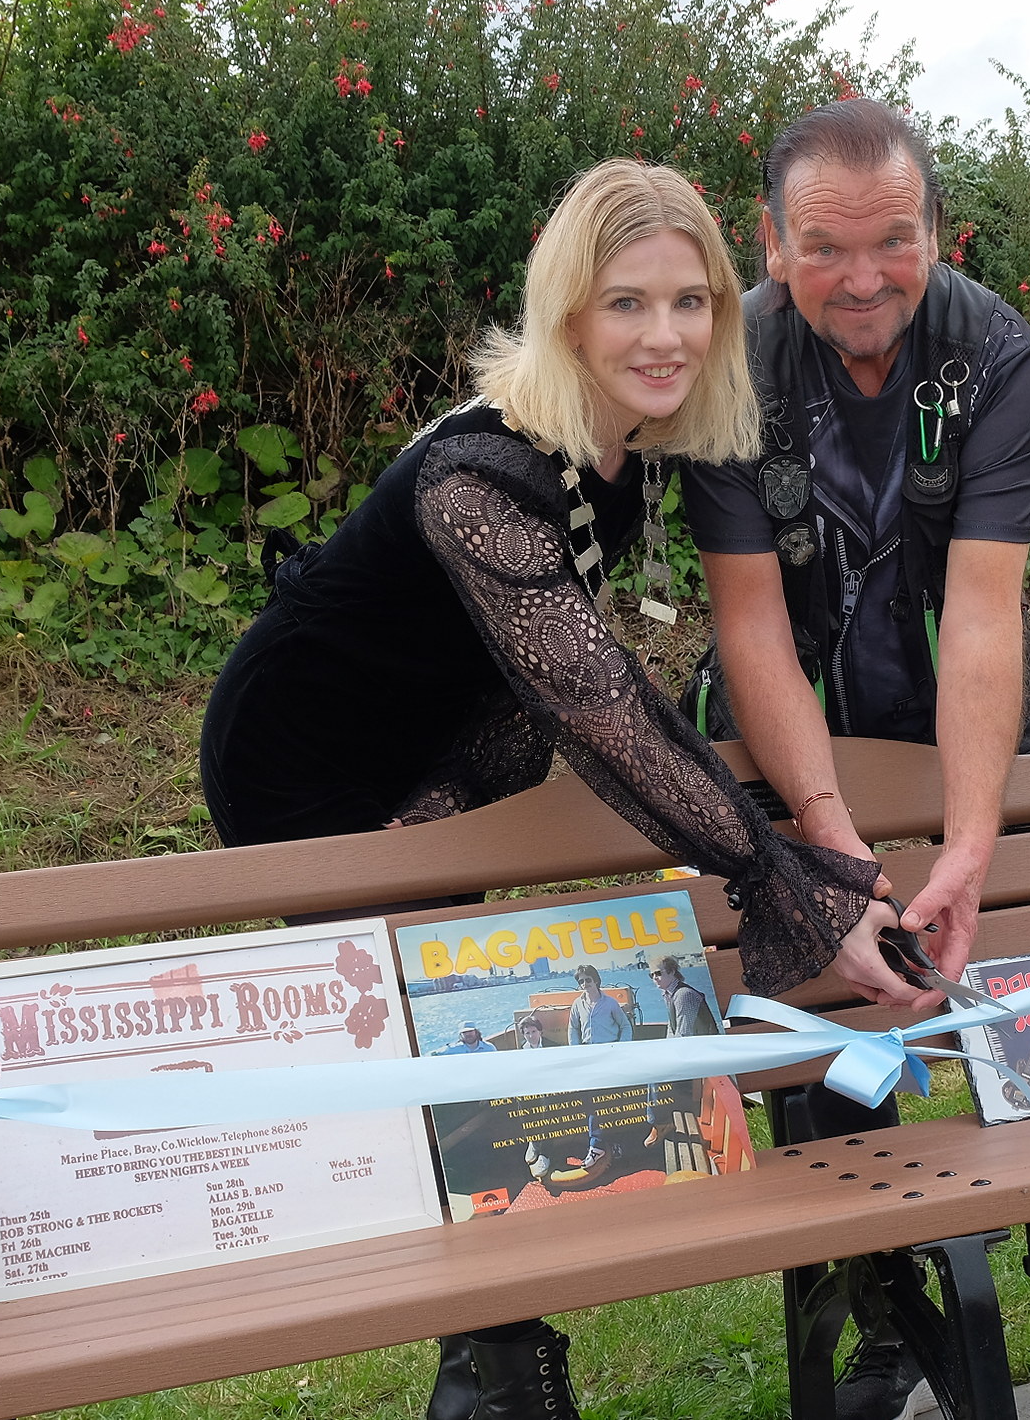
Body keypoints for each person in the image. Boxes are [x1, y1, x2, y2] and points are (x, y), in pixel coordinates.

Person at [198, 157, 905, 1420]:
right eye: (627, 302)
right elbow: (601, 709)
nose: (665, 334)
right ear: (567, 311)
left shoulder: (621, 444)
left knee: (462, 1014)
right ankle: (500, 1368)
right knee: (434, 1038)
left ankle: (493, 1366)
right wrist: (778, 873)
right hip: (304, 764)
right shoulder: (481, 480)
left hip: (441, 747)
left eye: (691, 302)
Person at [682, 99, 1030, 1420]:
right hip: (799, 707)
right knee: (832, 999)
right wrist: (827, 829)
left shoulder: (998, 352)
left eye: (893, 240)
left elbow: (984, 608)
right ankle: (881, 1315)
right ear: (770, 239)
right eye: (825, 246)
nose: (863, 278)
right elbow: (746, 618)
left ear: (935, 227)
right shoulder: (724, 363)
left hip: (965, 709)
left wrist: (969, 839)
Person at [653, 954, 721, 1037]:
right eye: (651, 975)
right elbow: (672, 1029)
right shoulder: (669, 994)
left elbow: (684, 1033)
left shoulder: (684, 995)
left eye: (658, 973)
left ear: (672, 971)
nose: (654, 978)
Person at [566, 965, 633, 1045]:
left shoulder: (611, 1003)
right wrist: (575, 1048)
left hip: (610, 1046)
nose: (585, 984)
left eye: (588, 980)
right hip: (588, 1048)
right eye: (581, 981)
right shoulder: (577, 1004)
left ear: (596, 981)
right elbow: (573, 1028)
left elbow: (625, 1026)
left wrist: (622, 1045)